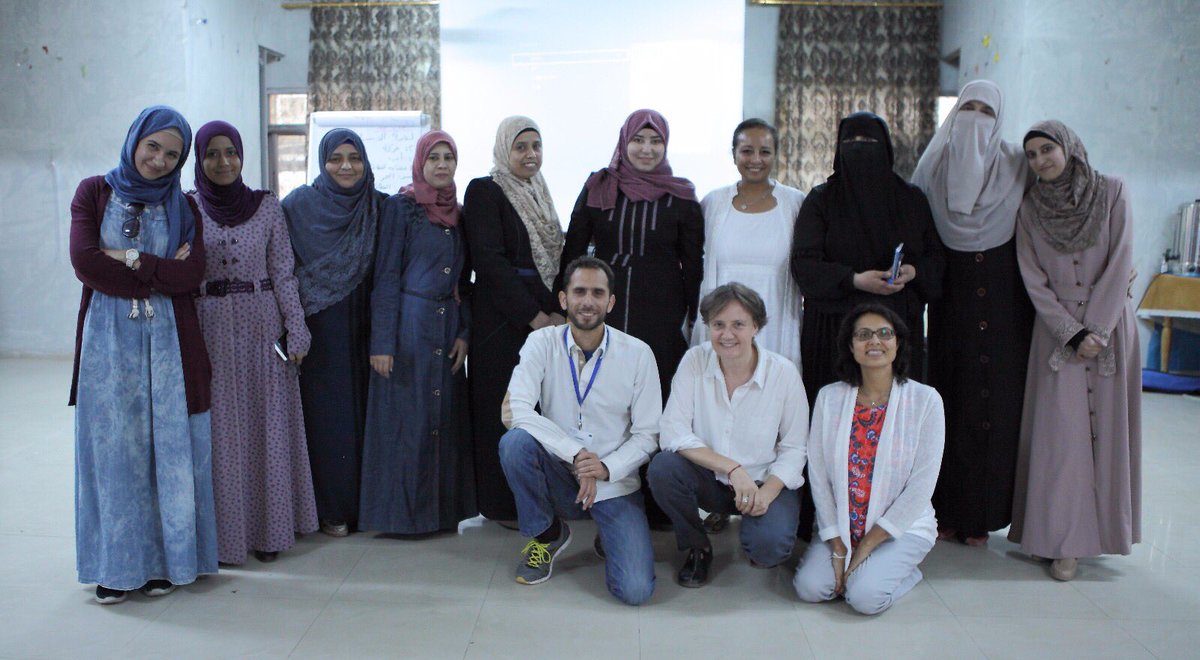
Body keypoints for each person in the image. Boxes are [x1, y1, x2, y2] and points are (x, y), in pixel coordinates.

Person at [68, 105, 218, 603]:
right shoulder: (94, 192)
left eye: (172, 154)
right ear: (135, 139)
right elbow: (86, 264)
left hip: (169, 347)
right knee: (115, 454)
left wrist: (129, 258)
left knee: (167, 452)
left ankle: (162, 564)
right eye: (153, 146)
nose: (158, 160)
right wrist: (157, 269)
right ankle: (115, 567)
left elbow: (190, 276)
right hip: (108, 345)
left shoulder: (185, 207)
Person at [789, 111, 944, 540]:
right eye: (852, 141)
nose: (861, 151)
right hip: (834, 332)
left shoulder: (911, 200)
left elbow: (936, 261)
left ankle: (892, 523)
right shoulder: (821, 200)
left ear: (889, 149)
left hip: (897, 331)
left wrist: (911, 273)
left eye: (870, 142)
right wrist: (854, 280)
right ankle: (824, 522)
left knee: (895, 428)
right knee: (830, 429)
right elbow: (804, 262)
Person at [1008, 120, 1141, 581]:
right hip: (1056, 333)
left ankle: (1097, 538)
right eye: (1032, 155)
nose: (1042, 160)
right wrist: (1070, 331)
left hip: (1110, 327)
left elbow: (1122, 256)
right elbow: (1032, 277)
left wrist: (1098, 329)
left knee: (1106, 436)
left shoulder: (1112, 192)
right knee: (1060, 441)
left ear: (1068, 147)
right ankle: (1060, 540)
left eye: (1048, 149)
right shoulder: (1029, 209)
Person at [561, 108, 704, 528]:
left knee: (653, 404)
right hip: (602, 310)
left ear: (665, 146)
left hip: (660, 314)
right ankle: (598, 491)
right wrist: (567, 304)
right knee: (602, 397)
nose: (646, 148)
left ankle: (658, 503)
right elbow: (574, 247)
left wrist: (693, 317)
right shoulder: (599, 184)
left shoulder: (681, 195)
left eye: (655, 141)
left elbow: (692, 263)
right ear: (624, 142)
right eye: (638, 140)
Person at [911, 81, 1034, 546]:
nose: (975, 118)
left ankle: (982, 517)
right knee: (951, 408)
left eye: (986, 111)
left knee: (997, 414)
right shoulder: (930, 170)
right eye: (968, 108)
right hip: (952, 316)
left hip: (1007, 314)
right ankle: (945, 509)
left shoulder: (1019, 169)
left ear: (1000, 119)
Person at [190, 120, 317, 564]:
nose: (223, 162)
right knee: (222, 434)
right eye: (212, 153)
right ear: (199, 159)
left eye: (231, 152)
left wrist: (295, 328)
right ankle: (227, 538)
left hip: (262, 328)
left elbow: (283, 271)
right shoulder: (187, 207)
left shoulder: (266, 207)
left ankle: (269, 532)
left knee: (267, 428)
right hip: (209, 330)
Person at [498, 256, 659, 606]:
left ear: (610, 301)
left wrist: (605, 467)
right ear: (563, 299)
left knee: (635, 591)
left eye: (598, 293)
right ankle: (547, 534)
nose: (588, 301)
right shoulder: (541, 343)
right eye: (580, 291)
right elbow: (515, 410)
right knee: (515, 444)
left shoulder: (638, 354)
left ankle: (611, 535)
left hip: (614, 481)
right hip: (560, 470)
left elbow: (649, 434)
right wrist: (575, 453)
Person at [650, 283, 808, 587]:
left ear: (756, 327)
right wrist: (732, 468)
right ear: (708, 326)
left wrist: (767, 493)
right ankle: (697, 546)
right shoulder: (695, 361)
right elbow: (672, 431)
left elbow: (795, 448)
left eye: (738, 324)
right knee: (663, 468)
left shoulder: (784, 373)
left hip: (763, 481)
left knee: (768, 552)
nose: (727, 334)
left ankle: (753, 522)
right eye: (718, 325)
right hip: (712, 478)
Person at [793, 304, 945, 615]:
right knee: (810, 589)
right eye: (863, 335)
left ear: (898, 342)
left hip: (900, 527)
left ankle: (902, 572)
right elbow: (819, 475)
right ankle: (861, 569)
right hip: (843, 524)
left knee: (864, 598)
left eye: (884, 333)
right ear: (851, 346)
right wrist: (837, 544)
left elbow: (921, 487)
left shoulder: (925, 400)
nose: (874, 341)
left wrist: (865, 547)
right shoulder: (830, 398)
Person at [360, 130, 476, 534]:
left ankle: (439, 515)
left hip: (445, 329)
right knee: (405, 421)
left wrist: (464, 332)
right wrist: (382, 342)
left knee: (440, 421)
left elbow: (465, 282)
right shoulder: (402, 208)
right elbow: (387, 275)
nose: (442, 165)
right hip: (409, 326)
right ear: (420, 163)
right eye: (435, 158)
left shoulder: (458, 215)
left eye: (449, 157)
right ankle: (402, 518)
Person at [462, 116, 565, 527]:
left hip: (543, 320)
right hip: (501, 322)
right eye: (521, 146)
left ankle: (537, 498)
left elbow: (552, 259)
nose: (530, 155)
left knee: (536, 412)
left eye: (536, 146)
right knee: (498, 411)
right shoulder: (485, 191)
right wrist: (534, 315)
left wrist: (556, 310)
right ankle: (501, 505)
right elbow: (491, 262)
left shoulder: (540, 193)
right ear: (505, 149)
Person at [282, 129, 384, 537]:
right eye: (336, 158)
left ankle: (367, 504)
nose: (346, 166)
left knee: (367, 413)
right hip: (319, 327)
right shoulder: (297, 207)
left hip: (366, 322)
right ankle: (331, 509)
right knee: (328, 419)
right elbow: (282, 270)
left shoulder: (378, 206)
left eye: (354, 157)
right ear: (321, 162)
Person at [691, 119, 805, 368]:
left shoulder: (795, 203)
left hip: (777, 325)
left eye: (765, 152)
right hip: (722, 326)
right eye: (746, 151)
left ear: (776, 155)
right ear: (733, 155)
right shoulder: (713, 203)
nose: (756, 159)